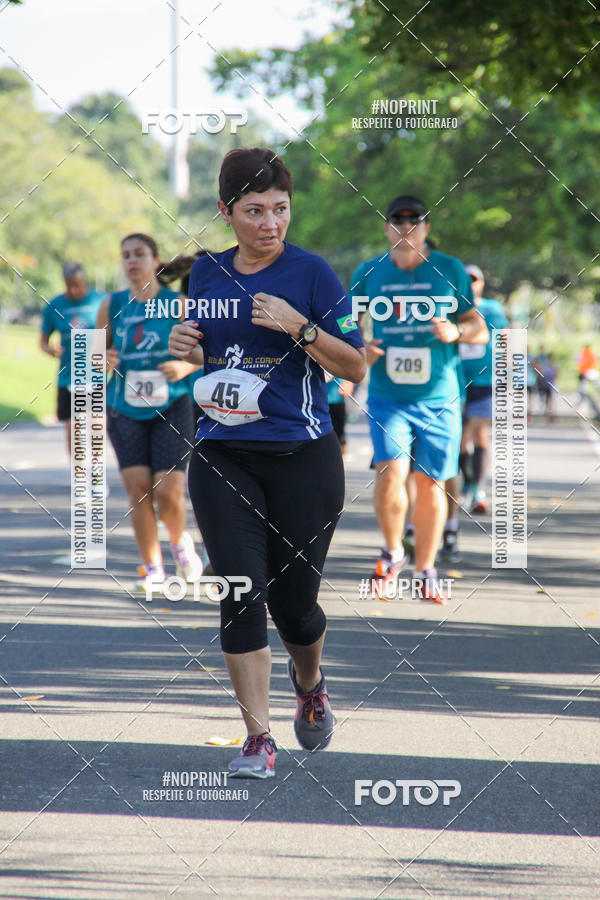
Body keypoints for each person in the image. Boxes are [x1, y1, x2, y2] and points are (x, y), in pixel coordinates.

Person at [169, 147, 366, 779]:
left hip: (304, 458)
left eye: (280, 210)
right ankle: (257, 738)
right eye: (254, 211)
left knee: (297, 607)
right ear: (225, 212)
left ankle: (309, 681)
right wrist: (183, 347)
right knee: (240, 593)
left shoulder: (313, 275)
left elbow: (356, 366)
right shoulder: (205, 275)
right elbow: (201, 362)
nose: (270, 224)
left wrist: (300, 328)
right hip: (225, 456)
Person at [351, 195, 488, 602]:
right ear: (386, 227)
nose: (406, 228)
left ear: (427, 228)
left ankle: (426, 570)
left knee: (430, 483)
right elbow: (343, 319)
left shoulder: (449, 270)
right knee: (391, 471)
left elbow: (476, 325)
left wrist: (457, 333)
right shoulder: (369, 272)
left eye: (415, 221)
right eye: (398, 221)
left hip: (439, 397)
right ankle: (393, 551)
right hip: (387, 395)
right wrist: (360, 344)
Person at [96, 234, 206, 589]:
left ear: (156, 260)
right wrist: (103, 359)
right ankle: (152, 566)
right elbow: (91, 358)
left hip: (172, 404)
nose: (131, 261)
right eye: (125, 255)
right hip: (124, 407)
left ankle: (178, 543)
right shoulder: (111, 304)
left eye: (139, 254)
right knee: (138, 490)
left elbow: (211, 353)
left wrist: (185, 368)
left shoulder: (180, 303)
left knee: (168, 491)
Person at [458, 264, 509, 514]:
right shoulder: (451, 307)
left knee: (479, 434)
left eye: (474, 280)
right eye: (466, 279)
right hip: (456, 382)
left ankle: (477, 488)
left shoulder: (492, 308)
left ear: (481, 283)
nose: (470, 283)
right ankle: (466, 484)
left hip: (485, 382)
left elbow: (505, 340)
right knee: (459, 441)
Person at [40, 262, 105, 456]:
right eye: (69, 285)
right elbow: (43, 341)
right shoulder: (55, 306)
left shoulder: (101, 301)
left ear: (83, 279)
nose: (74, 290)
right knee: (74, 431)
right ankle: (79, 478)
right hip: (69, 376)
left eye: (77, 284)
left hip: (96, 375)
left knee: (97, 428)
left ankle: (96, 476)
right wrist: (49, 349)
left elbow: (114, 334)